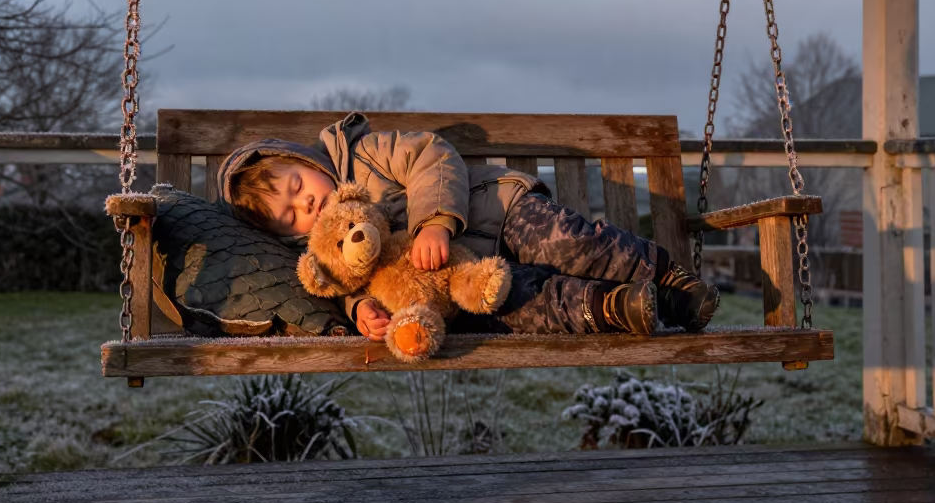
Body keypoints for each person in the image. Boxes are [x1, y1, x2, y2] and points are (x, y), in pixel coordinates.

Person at [217, 112, 719, 341]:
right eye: (291, 214)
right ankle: (615, 309)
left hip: (499, 212)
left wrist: (435, 223)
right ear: (290, 235)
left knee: (572, 244)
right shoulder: (327, 250)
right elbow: (339, 286)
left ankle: (670, 281)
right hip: (469, 282)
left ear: (304, 158)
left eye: (297, 183)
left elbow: (432, 157)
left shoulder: (366, 154)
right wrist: (360, 307)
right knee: (523, 303)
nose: (305, 201)